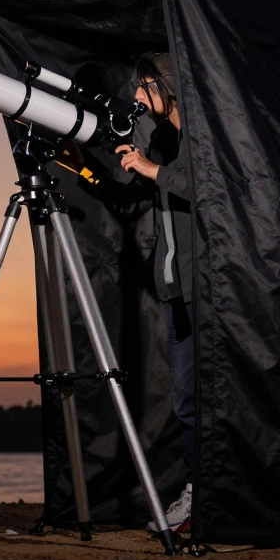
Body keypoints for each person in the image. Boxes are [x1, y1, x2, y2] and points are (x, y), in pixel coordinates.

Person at [115, 52, 196, 534]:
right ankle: (198, 491)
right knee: (185, 399)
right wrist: (84, 170)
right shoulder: (165, 141)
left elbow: (215, 191)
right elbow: (130, 194)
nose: (137, 96)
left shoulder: (202, 139)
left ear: (166, 84)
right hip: (174, 289)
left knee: (206, 396)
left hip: (206, 287)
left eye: (143, 85)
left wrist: (154, 171)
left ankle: (212, 493)